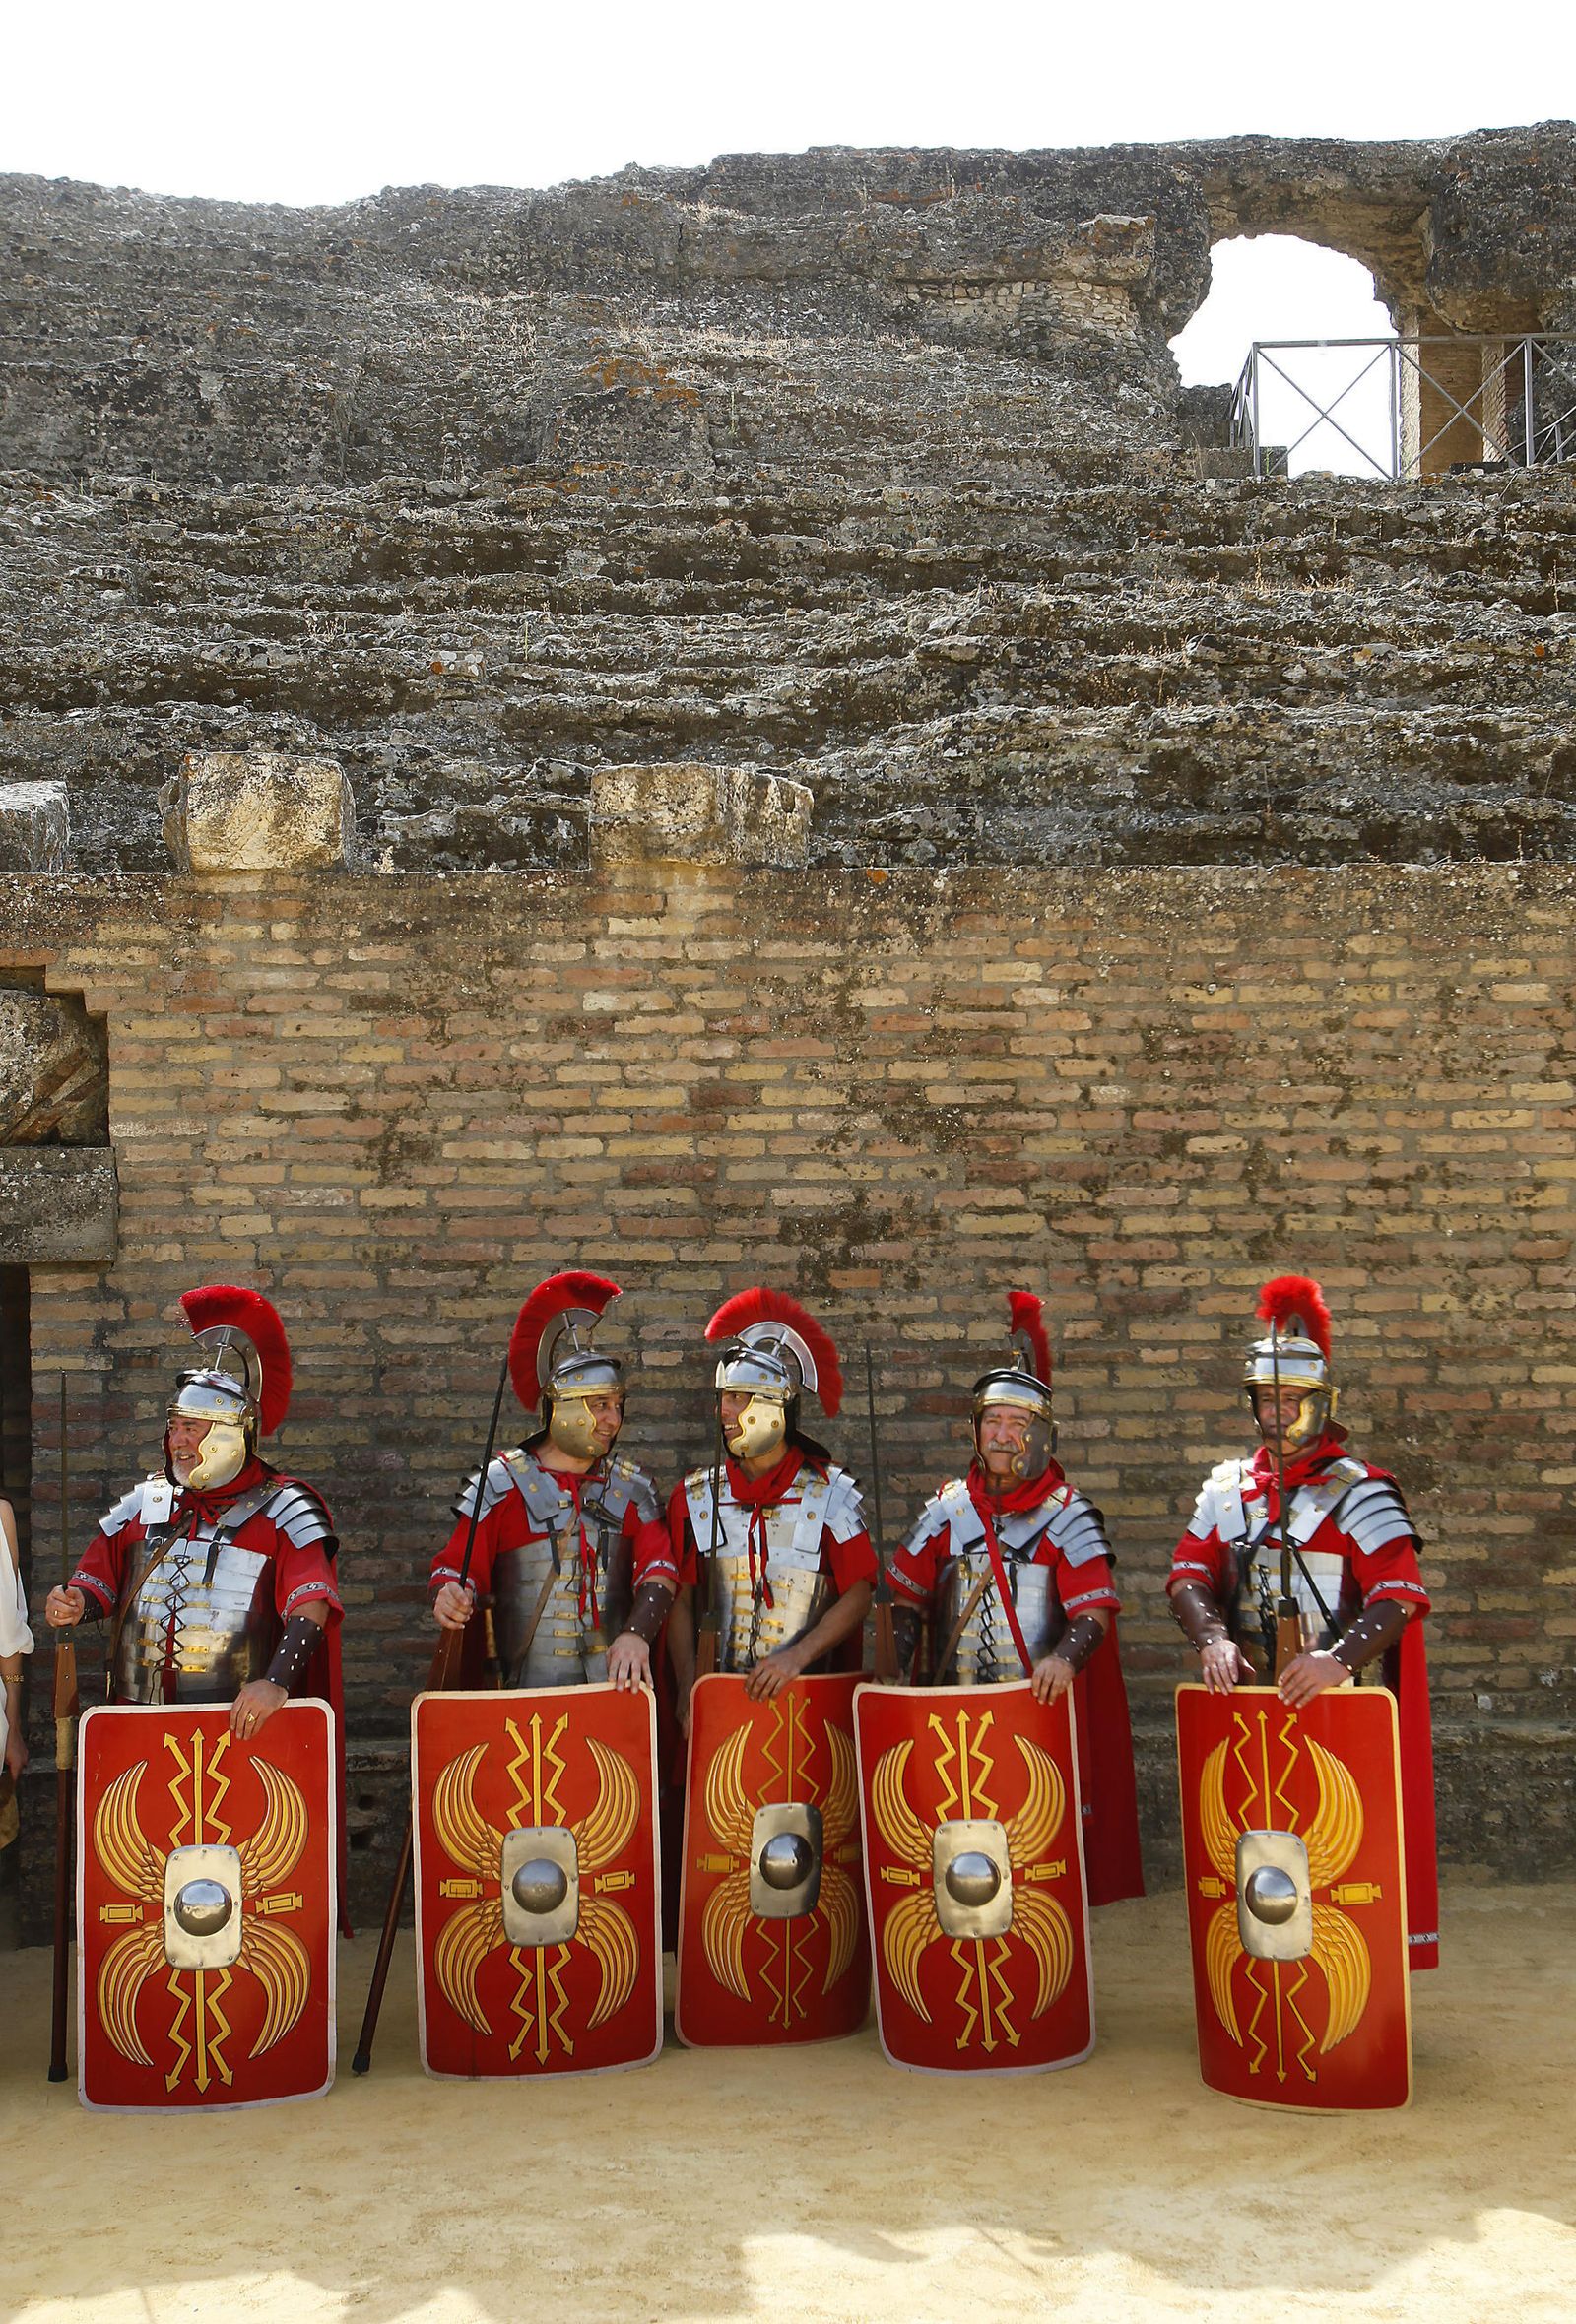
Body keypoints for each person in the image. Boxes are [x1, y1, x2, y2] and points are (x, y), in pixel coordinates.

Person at [1166, 1272, 1438, 1969]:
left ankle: (1350, 1986)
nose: (1278, 1413)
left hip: (1337, 1707)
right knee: (1253, 1861)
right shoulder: (1227, 1488)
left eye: (1291, 1400)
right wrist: (1213, 1638)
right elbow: (1189, 1574)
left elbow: (1398, 1597)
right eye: (1267, 1399)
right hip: (1243, 1707)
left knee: (1340, 1857)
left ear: (1319, 1405)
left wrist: (1335, 1662)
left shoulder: (1361, 1491)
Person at [887, 1290, 1144, 1905]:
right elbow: (905, 1600)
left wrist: (1064, 1660)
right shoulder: (946, 1510)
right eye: (992, 1422)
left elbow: (1092, 1613)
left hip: (1036, 1712)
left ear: (1040, 1435)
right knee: (955, 1860)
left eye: (1017, 1424)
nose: (1002, 1436)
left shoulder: (1068, 1514)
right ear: (975, 1430)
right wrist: (894, 1669)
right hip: (951, 1716)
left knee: (1036, 1861)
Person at [44, 1285, 342, 1740]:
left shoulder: (283, 1508)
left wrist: (275, 1682)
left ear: (228, 1435)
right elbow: (98, 1579)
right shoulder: (147, 1502)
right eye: (174, 1427)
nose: (178, 1440)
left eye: (191, 1428)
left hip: (237, 1721)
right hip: (138, 1715)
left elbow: (311, 1602)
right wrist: (75, 1603)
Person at [429, 1271, 673, 1688]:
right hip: (521, 1694)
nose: (613, 1419)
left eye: (617, 1405)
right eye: (600, 1405)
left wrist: (636, 1633)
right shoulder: (501, 1484)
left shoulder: (631, 1487)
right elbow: (457, 1569)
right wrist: (451, 1593)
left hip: (614, 1691)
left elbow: (659, 1569)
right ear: (565, 1408)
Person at [666, 1288, 874, 1725]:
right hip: (717, 1702)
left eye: (737, 1398)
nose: (723, 1411)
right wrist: (687, 1681)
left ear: (772, 1407)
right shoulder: (695, 1498)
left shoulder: (831, 1493)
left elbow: (858, 1593)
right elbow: (682, 1601)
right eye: (723, 1398)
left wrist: (798, 1656)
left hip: (805, 1704)